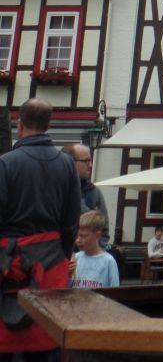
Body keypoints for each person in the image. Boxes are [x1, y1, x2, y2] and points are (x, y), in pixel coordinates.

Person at [0, 97, 81, 359]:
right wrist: (63, 256)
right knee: (47, 341)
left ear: (19, 124)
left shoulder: (6, 163)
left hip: (9, 264)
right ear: (49, 125)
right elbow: (71, 221)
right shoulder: (67, 164)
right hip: (50, 263)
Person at [64, 143, 110, 249]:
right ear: (70, 162)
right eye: (86, 161)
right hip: (59, 258)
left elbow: (103, 230)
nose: (90, 165)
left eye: (90, 160)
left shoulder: (94, 192)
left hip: (86, 257)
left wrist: (95, 254)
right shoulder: (55, 190)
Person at [71, 211, 120, 289]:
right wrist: (68, 275)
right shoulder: (76, 258)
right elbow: (68, 288)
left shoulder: (108, 261)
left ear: (97, 235)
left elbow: (115, 291)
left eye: (83, 236)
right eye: (76, 236)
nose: (78, 240)